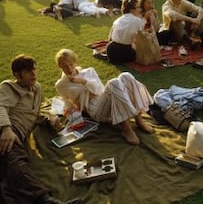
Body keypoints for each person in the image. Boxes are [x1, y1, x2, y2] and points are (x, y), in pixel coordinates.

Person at [0, 54, 82, 204]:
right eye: (28, 71)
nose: (34, 74)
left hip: (18, 136)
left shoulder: (36, 88)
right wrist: (6, 129)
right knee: (16, 162)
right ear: (17, 75)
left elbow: (33, 114)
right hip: (6, 132)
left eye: (34, 69)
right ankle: (44, 200)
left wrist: (47, 120)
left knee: (8, 172)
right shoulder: (8, 87)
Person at [55, 49, 154, 145]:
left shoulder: (89, 72)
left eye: (71, 64)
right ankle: (126, 128)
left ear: (75, 62)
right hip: (95, 110)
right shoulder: (61, 85)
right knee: (113, 83)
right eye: (65, 66)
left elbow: (99, 90)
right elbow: (68, 104)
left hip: (105, 99)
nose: (69, 69)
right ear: (60, 67)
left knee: (125, 76)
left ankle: (139, 119)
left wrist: (82, 81)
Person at [106, 0, 145, 64]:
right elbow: (140, 39)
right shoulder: (138, 21)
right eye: (138, 7)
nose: (140, 10)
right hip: (125, 52)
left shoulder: (118, 20)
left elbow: (109, 38)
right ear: (131, 9)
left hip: (111, 51)